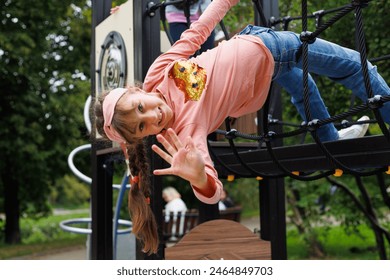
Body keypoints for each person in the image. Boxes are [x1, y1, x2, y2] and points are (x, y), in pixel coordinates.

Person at [95, 0, 390, 254]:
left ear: (136, 90)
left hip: (257, 43)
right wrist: (199, 179)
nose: (153, 117)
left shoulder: (157, 74)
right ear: (144, 137)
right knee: (356, 67)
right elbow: (212, 192)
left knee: (309, 86)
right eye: (143, 127)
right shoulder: (181, 136)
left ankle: (332, 139)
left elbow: (195, 34)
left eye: (140, 107)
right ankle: (334, 139)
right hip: (271, 57)